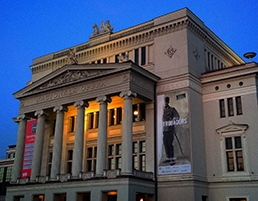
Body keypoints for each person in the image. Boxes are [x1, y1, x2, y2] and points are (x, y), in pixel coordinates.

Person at [162, 96, 180, 165]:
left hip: (170, 129)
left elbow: (177, 116)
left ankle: (171, 158)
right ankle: (168, 157)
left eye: (166, 101)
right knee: (165, 144)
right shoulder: (161, 110)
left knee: (170, 144)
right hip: (164, 129)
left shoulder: (172, 109)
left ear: (168, 102)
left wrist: (172, 121)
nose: (165, 103)